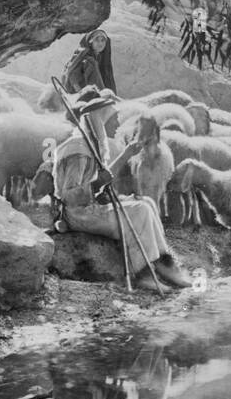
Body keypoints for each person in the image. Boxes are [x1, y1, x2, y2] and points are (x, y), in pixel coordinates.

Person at [52, 85, 190, 292]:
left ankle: (164, 262)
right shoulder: (78, 151)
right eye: (113, 119)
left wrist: (125, 155)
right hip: (77, 215)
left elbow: (102, 176)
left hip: (90, 206)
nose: (118, 123)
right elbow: (69, 196)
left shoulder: (92, 145)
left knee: (148, 203)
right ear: (100, 121)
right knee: (140, 210)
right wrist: (98, 184)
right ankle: (142, 273)